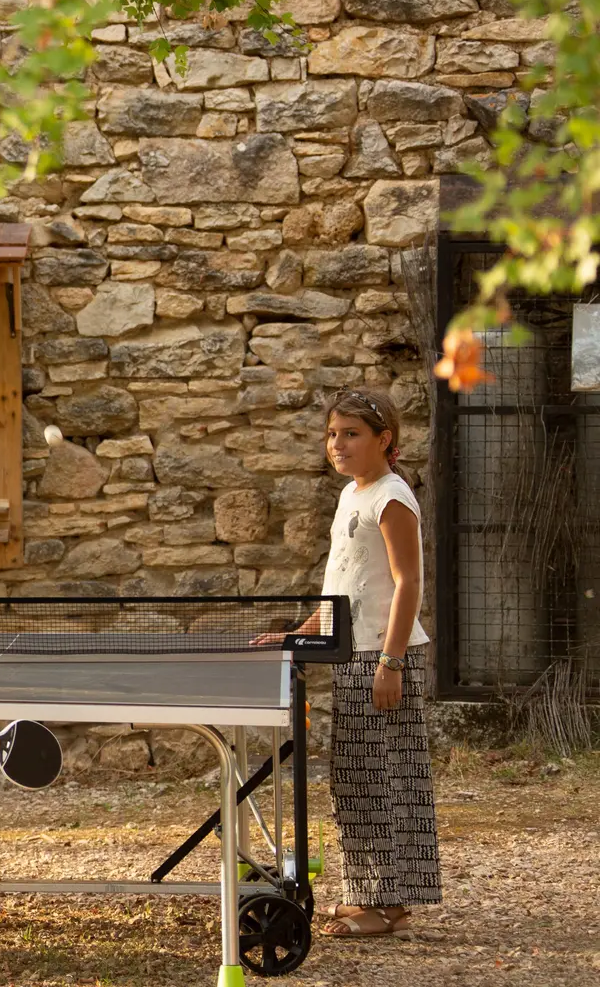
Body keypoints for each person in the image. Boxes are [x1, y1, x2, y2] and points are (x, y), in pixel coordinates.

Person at [264, 387, 439, 937]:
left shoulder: (392, 497)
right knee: (356, 780)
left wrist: (390, 662)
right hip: (352, 656)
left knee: (389, 778)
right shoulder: (350, 495)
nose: (337, 444)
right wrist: (297, 635)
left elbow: (409, 582)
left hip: (384, 657)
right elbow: (340, 586)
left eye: (351, 434)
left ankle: (387, 906)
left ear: (384, 440)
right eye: (332, 434)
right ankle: (371, 894)